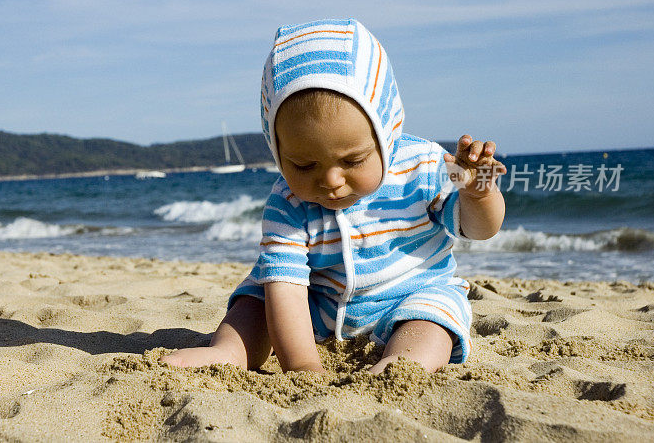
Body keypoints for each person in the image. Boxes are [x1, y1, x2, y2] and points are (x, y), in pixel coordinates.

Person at [162, 19, 505, 374]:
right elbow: (287, 289)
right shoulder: (287, 203)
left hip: (412, 297)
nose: (330, 180)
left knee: (433, 322)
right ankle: (229, 352)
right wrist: (304, 367)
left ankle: (399, 366)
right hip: (314, 313)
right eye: (303, 164)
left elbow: (480, 229)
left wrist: (479, 193)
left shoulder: (427, 164)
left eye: (352, 160)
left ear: (385, 133)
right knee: (258, 297)